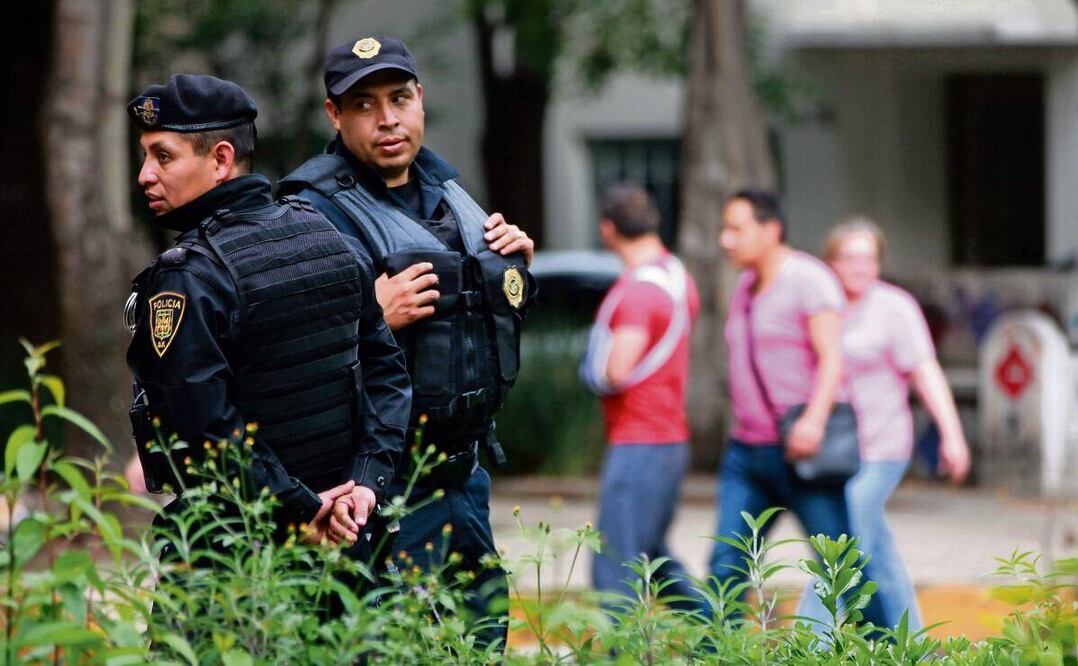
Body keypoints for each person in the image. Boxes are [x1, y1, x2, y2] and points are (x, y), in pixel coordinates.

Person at [278, 36, 537, 647]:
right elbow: (284, 362)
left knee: (480, 642)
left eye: (399, 98)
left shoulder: (452, 196)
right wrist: (375, 318)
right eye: (364, 104)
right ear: (334, 116)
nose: (387, 118)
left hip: (464, 478)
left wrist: (516, 272)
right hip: (373, 491)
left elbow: (484, 325)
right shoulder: (309, 215)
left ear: (420, 99)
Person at [125, 74, 411, 553]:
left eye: (163, 156)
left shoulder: (189, 276)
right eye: (146, 156)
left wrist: (302, 510)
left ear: (221, 160)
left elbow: (204, 430)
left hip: (238, 555)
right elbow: (389, 376)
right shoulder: (330, 238)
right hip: (348, 544)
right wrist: (364, 487)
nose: (145, 175)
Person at [796, 219, 972, 630]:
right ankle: (911, 646)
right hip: (835, 451)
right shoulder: (822, 306)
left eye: (870, 258)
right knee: (879, 554)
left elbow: (925, 372)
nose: (861, 267)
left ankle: (807, 645)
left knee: (837, 546)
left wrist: (953, 436)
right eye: (850, 257)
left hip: (881, 448)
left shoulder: (895, 307)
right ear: (830, 262)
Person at [708, 189, 861, 618]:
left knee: (842, 572)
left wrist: (813, 422)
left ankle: (889, 652)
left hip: (801, 450)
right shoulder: (745, 286)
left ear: (770, 229)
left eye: (736, 228)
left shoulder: (808, 279)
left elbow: (833, 358)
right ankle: (721, 653)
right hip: (747, 453)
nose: (726, 239)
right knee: (725, 568)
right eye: (725, 229)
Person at [580, 184, 700, 610]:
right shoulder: (676, 277)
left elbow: (617, 370)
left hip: (639, 442)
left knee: (614, 565)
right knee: (654, 559)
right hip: (667, 439)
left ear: (608, 229)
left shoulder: (638, 293)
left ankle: (618, 656)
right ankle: (722, 638)